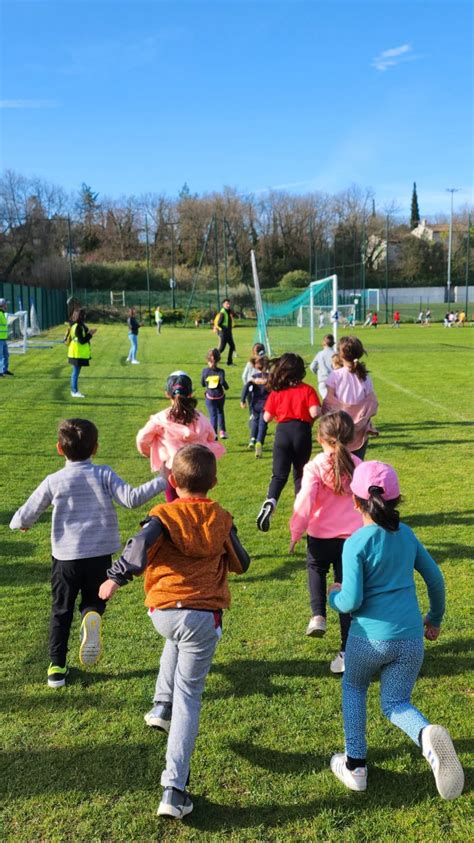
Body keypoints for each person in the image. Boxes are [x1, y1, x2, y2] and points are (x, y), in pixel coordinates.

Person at [98, 444, 251, 820]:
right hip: (201, 616)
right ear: (213, 481)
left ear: (172, 481)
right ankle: (174, 788)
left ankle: (160, 706)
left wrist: (114, 580)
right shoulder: (220, 518)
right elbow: (242, 562)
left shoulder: (161, 515)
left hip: (164, 611)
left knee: (175, 639)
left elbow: (137, 551)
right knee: (191, 698)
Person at [328, 461, 464, 801]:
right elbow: (436, 579)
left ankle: (356, 765)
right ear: (397, 498)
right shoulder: (407, 535)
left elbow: (351, 600)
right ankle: (425, 735)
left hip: (367, 640)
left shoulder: (356, 543)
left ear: (356, 501)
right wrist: (434, 618)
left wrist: (333, 596)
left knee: (355, 688)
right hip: (409, 639)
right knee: (396, 702)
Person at [9, 418, 166, 688]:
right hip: (99, 554)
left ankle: (56, 667)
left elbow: (29, 510)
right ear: (96, 448)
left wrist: (19, 523)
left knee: (60, 610)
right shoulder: (103, 474)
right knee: (95, 599)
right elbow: (131, 498)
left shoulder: (54, 480)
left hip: (65, 558)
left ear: (59, 448)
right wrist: (162, 480)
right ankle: (90, 615)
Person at [290, 412, 363, 673]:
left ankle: (318, 615)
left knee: (316, 569)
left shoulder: (314, 467)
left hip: (320, 535)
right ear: (353, 439)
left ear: (320, 438)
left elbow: (305, 499)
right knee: (347, 595)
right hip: (352, 540)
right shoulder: (359, 466)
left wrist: (295, 531)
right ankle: (346, 652)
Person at [256, 353, 321, 532]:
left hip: (282, 433)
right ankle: (300, 513)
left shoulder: (277, 392)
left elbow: (266, 417)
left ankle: (270, 501)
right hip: (302, 432)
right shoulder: (307, 390)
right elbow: (315, 412)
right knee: (300, 474)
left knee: (279, 475)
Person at [136, 371, 225, 502]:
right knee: (197, 509)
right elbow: (212, 437)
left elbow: (142, 438)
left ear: (167, 394)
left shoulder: (160, 419)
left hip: (173, 473)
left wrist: (148, 452)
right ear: (190, 394)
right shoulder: (201, 418)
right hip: (197, 472)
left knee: (175, 512)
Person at [322, 336, 378, 460]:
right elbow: (371, 403)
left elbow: (328, 402)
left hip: (338, 429)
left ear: (340, 355)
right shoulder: (366, 377)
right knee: (357, 466)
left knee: (337, 466)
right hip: (359, 430)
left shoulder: (335, 375)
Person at [240, 353, 269, 457]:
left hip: (255, 404)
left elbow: (246, 387)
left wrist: (242, 400)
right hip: (266, 405)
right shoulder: (270, 378)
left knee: (255, 421)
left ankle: (252, 439)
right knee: (263, 424)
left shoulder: (253, 377)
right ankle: (259, 442)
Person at [66, 307, 97, 398]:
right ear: (80, 316)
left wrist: (89, 332)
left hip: (77, 352)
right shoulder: (77, 326)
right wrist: (91, 334)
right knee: (75, 372)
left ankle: (74, 390)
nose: (85, 315)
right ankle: (74, 391)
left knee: (76, 372)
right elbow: (82, 341)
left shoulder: (78, 325)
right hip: (76, 353)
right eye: (84, 314)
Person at [201, 348, 229, 439]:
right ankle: (222, 431)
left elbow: (202, 383)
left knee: (213, 415)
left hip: (210, 396)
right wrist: (226, 387)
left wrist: (208, 383)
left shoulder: (205, 371)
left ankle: (214, 434)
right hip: (220, 395)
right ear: (218, 359)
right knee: (220, 412)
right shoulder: (221, 371)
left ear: (207, 359)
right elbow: (222, 382)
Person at [309, 334, 336, 400]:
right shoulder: (336, 354)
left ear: (323, 342)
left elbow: (312, 366)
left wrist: (318, 372)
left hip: (323, 380)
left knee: (328, 402)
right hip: (335, 382)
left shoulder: (320, 354)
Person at [215, 299, 236, 366]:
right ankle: (213, 358)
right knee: (221, 348)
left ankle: (229, 362)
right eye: (227, 304)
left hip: (228, 332)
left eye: (229, 304)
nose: (228, 305)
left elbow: (233, 315)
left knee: (232, 346)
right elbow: (219, 323)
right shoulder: (222, 312)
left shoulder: (228, 311)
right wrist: (225, 328)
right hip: (224, 333)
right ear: (223, 305)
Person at [0, 297, 14, 377]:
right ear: (2, 305)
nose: (6, 306)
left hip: (3, 339)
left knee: (6, 355)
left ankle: (4, 370)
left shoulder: (2, 314)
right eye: (5, 304)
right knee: (0, 355)